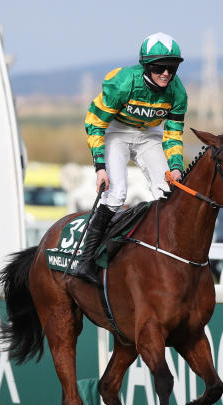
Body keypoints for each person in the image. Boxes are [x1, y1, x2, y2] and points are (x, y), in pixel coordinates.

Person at [76, 32, 187, 285]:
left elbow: (172, 135)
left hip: (150, 135)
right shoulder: (124, 82)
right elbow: (94, 123)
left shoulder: (178, 93)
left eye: (172, 67)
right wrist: (100, 167)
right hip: (117, 132)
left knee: (166, 190)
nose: (167, 73)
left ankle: (163, 258)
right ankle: (85, 259)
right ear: (146, 66)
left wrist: (177, 167)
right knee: (117, 194)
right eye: (160, 67)